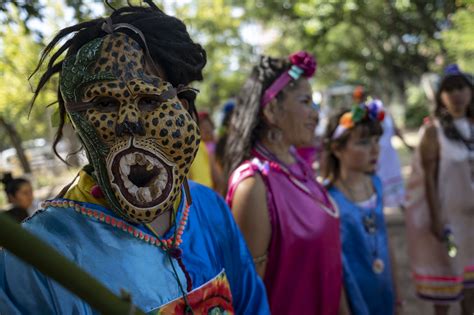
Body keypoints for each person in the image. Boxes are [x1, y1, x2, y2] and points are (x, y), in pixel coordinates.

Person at [0, 2, 269, 314]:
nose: (129, 120)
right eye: (103, 103)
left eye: (149, 99)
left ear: (181, 104)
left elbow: (252, 304)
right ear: (78, 121)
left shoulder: (209, 210)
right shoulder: (38, 255)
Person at [224, 52, 344, 315]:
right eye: (306, 101)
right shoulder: (254, 185)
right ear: (271, 110)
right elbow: (248, 297)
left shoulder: (299, 168)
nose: (316, 113)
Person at [405, 64, 474, 315]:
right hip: (448, 219)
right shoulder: (434, 132)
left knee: (471, 286)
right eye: (450, 89)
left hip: (472, 220)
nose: (457, 95)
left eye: (461, 88)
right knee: (446, 281)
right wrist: (436, 218)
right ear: (441, 96)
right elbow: (429, 180)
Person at [322, 101, 399, 314]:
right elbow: (331, 265)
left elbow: (385, 239)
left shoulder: (376, 185)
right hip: (354, 293)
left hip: (383, 289)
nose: (375, 149)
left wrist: (398, 296)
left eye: (376, 140)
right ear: (337, 149)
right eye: (363, 142)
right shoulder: (328, 199)